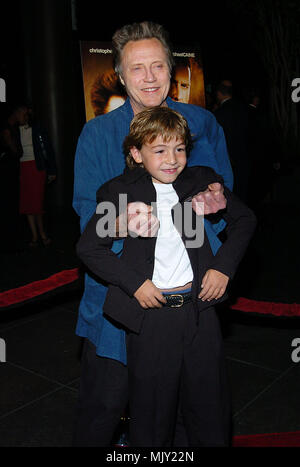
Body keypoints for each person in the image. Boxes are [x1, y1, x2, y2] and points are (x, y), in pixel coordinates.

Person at [72, 21, 233, 447]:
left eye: (157, 66)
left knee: (186, 410)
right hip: (122, 295)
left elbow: (224, 199)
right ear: (121, 76)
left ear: (171, 70)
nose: (148, 77)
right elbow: (86, 212)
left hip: (186, 301)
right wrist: (121, 223)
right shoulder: (98, 133)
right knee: (105, 405)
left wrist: (216, 205)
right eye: (136, 68)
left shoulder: (202, 123)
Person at [76, 106, 257, 446]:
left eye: (179, 148)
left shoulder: (200, 180)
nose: (172, 159)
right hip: (151, 319)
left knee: (210, 411)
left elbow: (245, 219)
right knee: (152, 417)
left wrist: (222, 267)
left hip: (200, 312)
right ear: (136, 153)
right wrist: (135, 284)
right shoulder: (116, 191)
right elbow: (89, 247)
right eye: (159, 150)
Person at [18, 105, 57, 247]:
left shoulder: (37, 128)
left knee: (37, 203)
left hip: (37, 166)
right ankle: (34, 236)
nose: (21, 115)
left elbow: (48, 149)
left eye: (23, 112)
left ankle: (42, 235)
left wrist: (52, 169)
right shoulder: (13, 130)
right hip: (22, 167)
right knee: (27, 203)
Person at [214, 80, 251, 202]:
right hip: (246, 155)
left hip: (228, 158)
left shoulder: (219, 114)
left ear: (219, 94)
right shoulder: (245, 109)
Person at [0, 104, 24, 253]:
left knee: (11, 203)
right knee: (8, 203)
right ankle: (9, 239)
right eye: (24, 113)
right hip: (6, 171)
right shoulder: (7, 129)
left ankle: (11, 238)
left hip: (11, 170)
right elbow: (15, 150)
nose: (26, 117)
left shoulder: (12, 128)